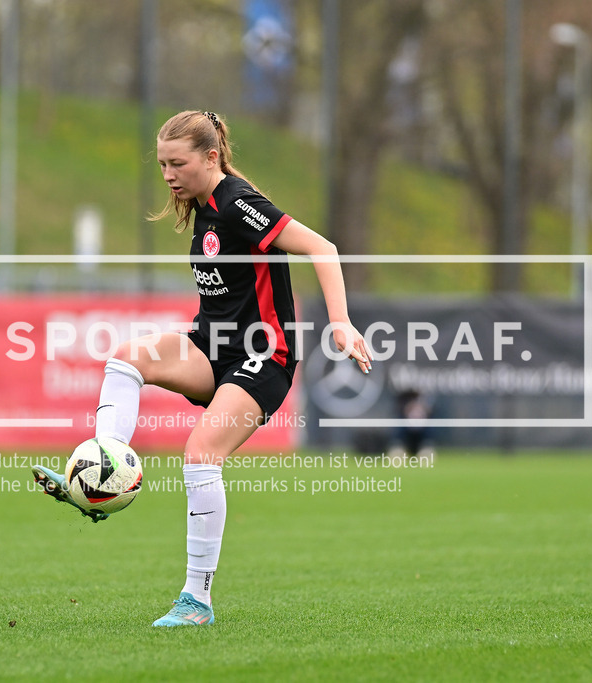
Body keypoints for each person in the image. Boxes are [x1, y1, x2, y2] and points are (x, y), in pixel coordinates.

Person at [31, 111, 372, 627]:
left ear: (211, 157)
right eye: (162, 165)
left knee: (200, 454)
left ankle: (197, 601)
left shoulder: (237, 203)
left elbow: (322, 248)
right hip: (211, 347)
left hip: (265, 354)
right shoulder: (204, 207)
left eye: (178, 164)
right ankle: (101, 473)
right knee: (125, 359)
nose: (168, 175)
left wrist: (340, 322)